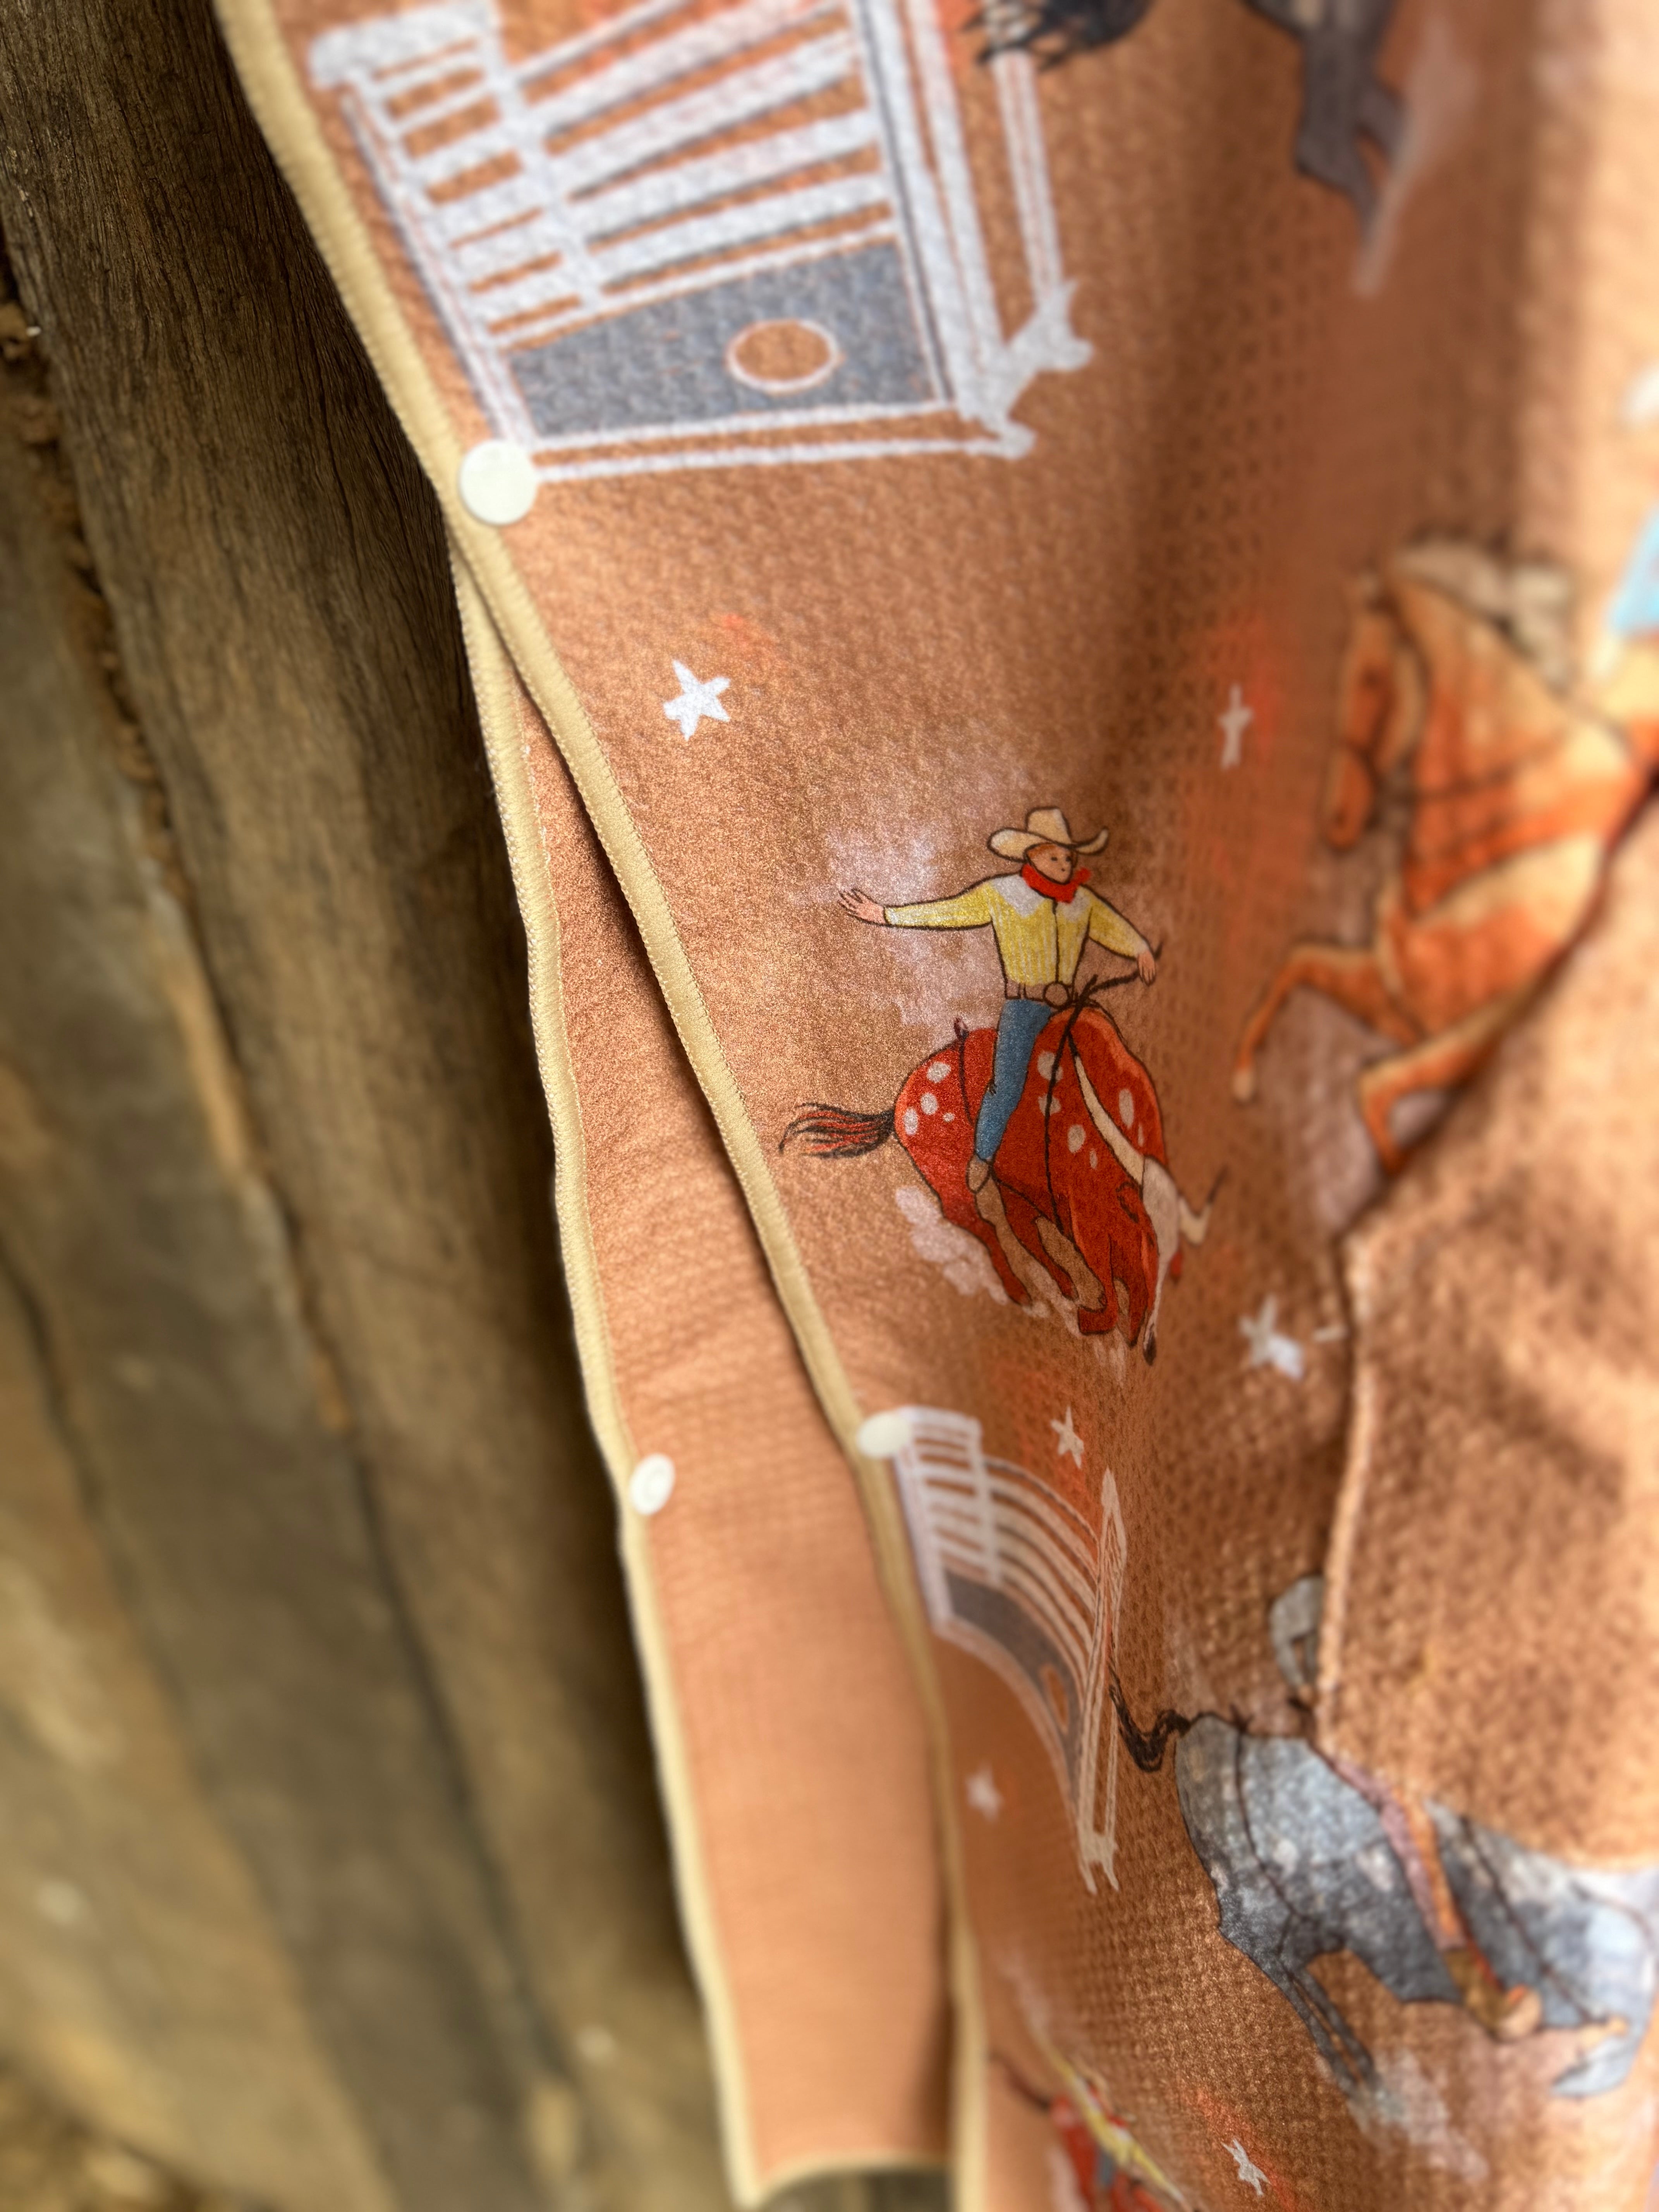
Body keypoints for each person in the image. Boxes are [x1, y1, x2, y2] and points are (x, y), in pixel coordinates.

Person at [840, 807, 1156, 1224]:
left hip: (1071, 1007)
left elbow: (1114, 927)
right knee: (1008, 1087)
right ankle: (984, 1155)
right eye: (1055, 856)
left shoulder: (1082, 902)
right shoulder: (1002, 893)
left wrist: (1140, 949)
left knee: (1105, 1068)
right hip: (1026, 1008)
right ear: (1033, 856)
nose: (1064, 864)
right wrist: (886, 914)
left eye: (1068, 857)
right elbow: (949, 912)